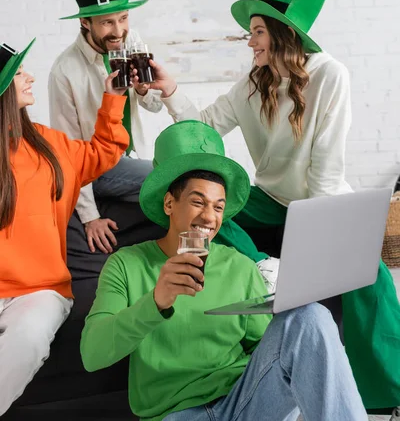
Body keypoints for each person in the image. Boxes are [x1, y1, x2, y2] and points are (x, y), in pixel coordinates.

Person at [144, 0, 400, 410]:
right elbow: (205, 125)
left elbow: (324, 169)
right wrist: (169, 90)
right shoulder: (251, 83)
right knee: (205, 215)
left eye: (258, 30)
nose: (251, 40)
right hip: (271, 200)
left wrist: (316, 245)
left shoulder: (329, 76)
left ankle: (385, 398)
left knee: (373, 280)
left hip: (321, 201)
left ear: (283, 34)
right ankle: (265, 266)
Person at [80, 120, 367, 421]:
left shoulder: (239, 265)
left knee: (311, 315)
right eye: (197, 202)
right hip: (177, 414)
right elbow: (92, 354)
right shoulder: (126, 265)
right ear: (169, 203)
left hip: (245, 403)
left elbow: (269, 350)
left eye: (218, 207)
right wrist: (156, 301)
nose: (208, 216)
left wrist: (294, 318)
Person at [0, 38, 131, 415]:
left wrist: (114, 97)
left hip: (40, 290)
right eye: (18, 73)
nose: (30, 77)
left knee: (28, 340)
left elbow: (104, 151)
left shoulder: (48, 145)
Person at [48, 0, 163, 256]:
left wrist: (143, 90)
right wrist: (90, 216)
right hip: (96, 168)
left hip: (131, 155)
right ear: (85, 22)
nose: (119, 30)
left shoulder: (131, 40)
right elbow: (68, 151)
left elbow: (154, 106)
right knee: (167, 179)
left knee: (177, 184)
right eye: (108, 23)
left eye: (123, 19)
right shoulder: (64, 71)